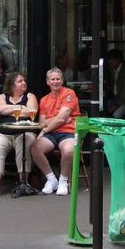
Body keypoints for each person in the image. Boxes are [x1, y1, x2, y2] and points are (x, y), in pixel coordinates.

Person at [30, 67, 82, 196]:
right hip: (52, 134)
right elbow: (44, 121)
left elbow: (61, 118)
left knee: (69, 150)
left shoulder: (69, 94)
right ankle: (52, 179)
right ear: (47, 81)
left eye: (58, 79)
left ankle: (63, 180)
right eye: (52, 79)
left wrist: (48, 126)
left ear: (62, 80)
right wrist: (59, 119)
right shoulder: (43, 100)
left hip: (68, 132)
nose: (55, 81)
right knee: (34, 148)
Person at [0, 72, 38, 198]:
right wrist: (21, 107)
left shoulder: (30, 96)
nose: (24, 83)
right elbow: (0, 109)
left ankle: (23, 183)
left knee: (24, 142)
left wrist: (11, 109)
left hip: (24, 132)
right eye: (20, 81)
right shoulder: (2, 97)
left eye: (24, 80)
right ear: (11, 84)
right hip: (2, 133)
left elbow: (32, 112)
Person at [105, 48, 125, 119]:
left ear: (119, 59)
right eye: (108, 59)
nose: (109, 62)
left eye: (112, 59)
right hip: (117, 98)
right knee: (106, 105)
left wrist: (116, 105)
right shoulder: (113, 71)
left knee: (116, 114)